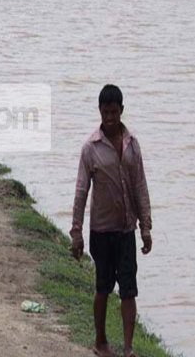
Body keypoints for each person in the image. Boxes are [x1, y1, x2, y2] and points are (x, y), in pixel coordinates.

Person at [70, 84, 153, 357]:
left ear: (121, 111)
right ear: (99, 112)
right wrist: (76, 232)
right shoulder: (90, 148)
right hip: (102, 230)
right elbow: (81, 191)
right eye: (105, 113)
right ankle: (101, 342)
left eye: (114, 112)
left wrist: (146, 227)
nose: (110, 118)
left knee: (129, 290)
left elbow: (140, 186)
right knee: (103, 287)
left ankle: (128, 348)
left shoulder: (132, 144)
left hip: (127, 229)